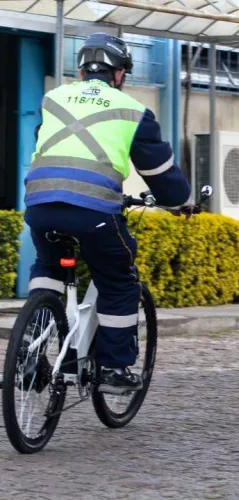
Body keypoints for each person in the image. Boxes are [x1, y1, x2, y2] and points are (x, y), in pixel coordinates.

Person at [24, 33, 191, 394]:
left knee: (48, 265)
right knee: (118, 278)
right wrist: (181, 204)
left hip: (40, 201)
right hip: (94, 211)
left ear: (82, 71)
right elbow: (162, 176)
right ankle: (114, 369)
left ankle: (28, 348)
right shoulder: (133, 111)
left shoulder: (53, 99)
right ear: (120, 75)